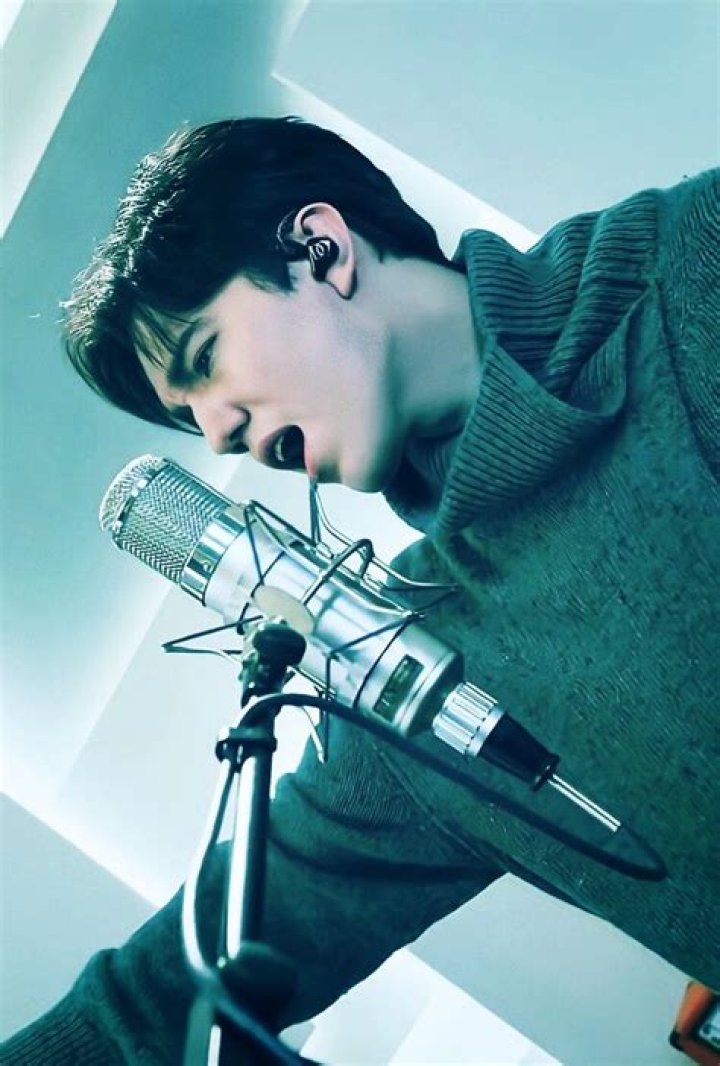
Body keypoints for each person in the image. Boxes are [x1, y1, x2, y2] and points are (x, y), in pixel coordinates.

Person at [2, 117, 717, 1065]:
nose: (216, 434)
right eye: (187, 418)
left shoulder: (693, 267)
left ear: (322, 249)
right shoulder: (416, 690)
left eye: (204, 360)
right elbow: (154, 1002)